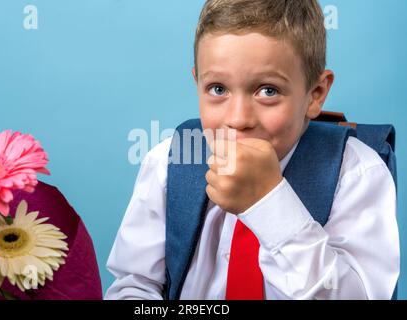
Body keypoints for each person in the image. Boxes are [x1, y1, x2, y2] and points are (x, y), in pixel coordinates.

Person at [105, 0, 399, 300]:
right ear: (198, 82)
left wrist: (269, 204)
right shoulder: (169, 161)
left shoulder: (358, 172)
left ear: (315, 94)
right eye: (218, 89)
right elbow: (134, 285)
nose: (238, 119)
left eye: (268, 91)